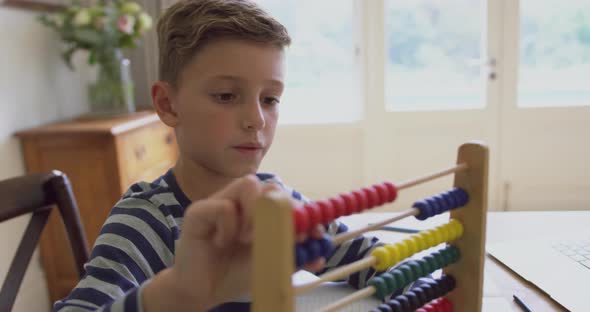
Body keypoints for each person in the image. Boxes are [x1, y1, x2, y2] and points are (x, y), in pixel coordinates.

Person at [54, 1, 382, 311]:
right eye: (226, 96)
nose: (256, 119)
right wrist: (176, 293)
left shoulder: (276, 201)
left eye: (270, 98)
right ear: (168, 104)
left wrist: (423, 279)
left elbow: (371, 259)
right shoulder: (147, 220)